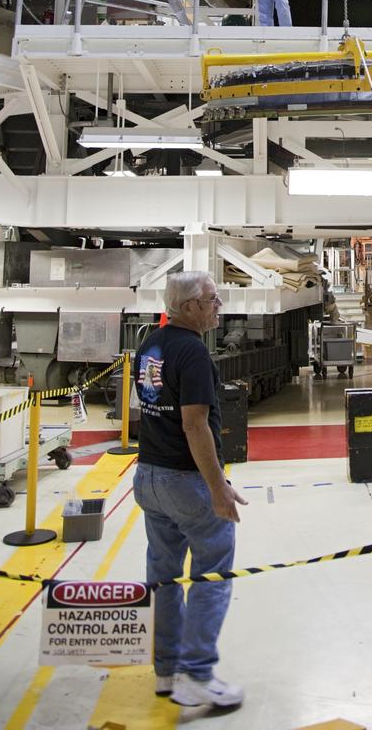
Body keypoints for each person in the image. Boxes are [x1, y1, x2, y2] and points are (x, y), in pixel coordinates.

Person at [133, 271, 248, 710]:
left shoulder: (151, 345)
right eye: (212, 300)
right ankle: (197, 673)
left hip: (149, 476)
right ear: (189, 307)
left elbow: (152, 410)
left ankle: (166, 671)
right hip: (185, 481)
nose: (219, 306)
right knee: (211, 571)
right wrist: (218, 488)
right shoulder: (194, 353)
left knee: (163, 576)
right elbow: (194, 424)